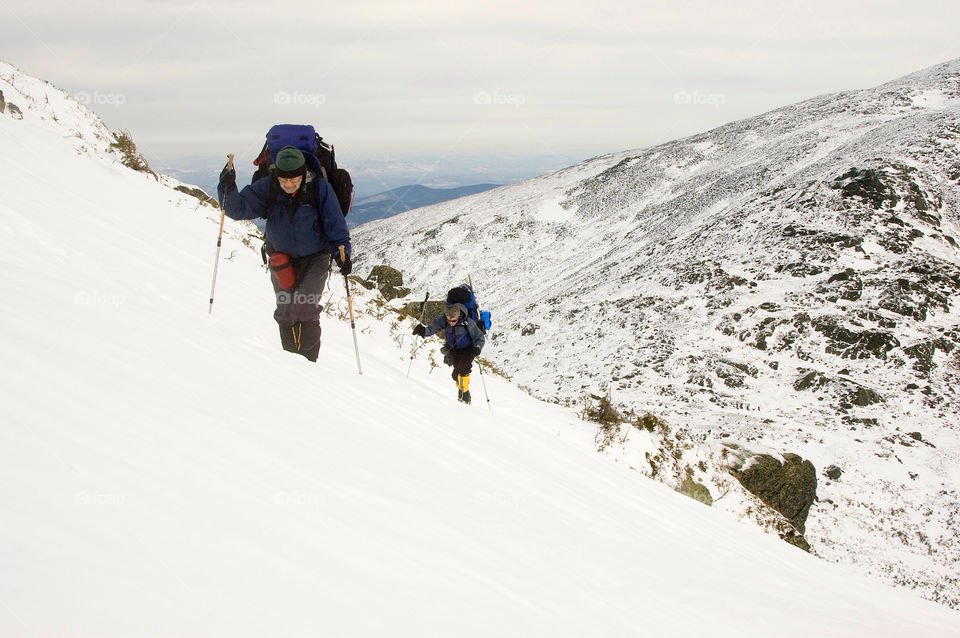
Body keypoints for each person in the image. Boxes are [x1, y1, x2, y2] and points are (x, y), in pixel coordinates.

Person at [217, 145, 352, 362]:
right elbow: (237, 209)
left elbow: (335, 224)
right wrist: (227, 186)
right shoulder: (268, 187)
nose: (288, 184)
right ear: (277, 175)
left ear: (302, 173)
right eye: (283, 180)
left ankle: (308, 362)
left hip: (315, 257)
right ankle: (289, 361)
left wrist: (342, 255)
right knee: (285, 309)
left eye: (293, 179)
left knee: (304, 307)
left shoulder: (319, 189)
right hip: (281, 258)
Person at [413, 302, 484, 403]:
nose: (451, 322)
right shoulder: (443, 320)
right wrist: (423, 331)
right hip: (454, 349)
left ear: (458, 316)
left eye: (454, 320)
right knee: (455, 375)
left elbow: (479, 337)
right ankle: (461, 389)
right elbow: (433, 328)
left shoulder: (467, 322)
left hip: (468, 349)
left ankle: (465, 395)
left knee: (464, 370)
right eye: (449, 320)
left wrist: (477, 348)